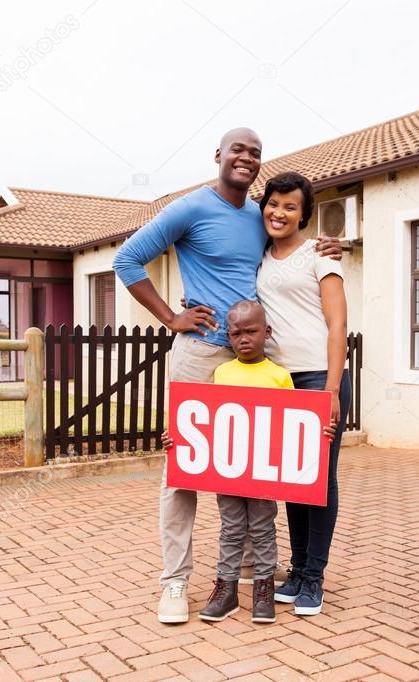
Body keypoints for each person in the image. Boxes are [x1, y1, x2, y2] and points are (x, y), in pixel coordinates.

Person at [112, 128, 342, 624]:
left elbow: (288, 246)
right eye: (237, 149)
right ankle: (174, 582)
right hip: (200, 354)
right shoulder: (190, 207)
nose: (246, 158)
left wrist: (329, 246)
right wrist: (170, 318)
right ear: (218, 155)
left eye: (255, 153)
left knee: (254, 463)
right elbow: (126, 259)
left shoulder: (260, 218)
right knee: (184, 468)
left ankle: (248, 568)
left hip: (258, 361)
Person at [162, 300, 337, 624]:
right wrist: (178, 439)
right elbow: (207, 421)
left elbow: (295, 424)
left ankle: (263, 590)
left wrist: (320, 431)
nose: (243, 339)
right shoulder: (221, 372)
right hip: (228, 475)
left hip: (263, 476)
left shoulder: (280, 376)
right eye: (236, 333)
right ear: (228, 337)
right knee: (230, 530)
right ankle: (226, 589)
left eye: (251, 331)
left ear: (267, 333)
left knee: (262, 530)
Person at [257, 171, 350, 616]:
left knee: (319, 481)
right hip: (279, 378)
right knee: (293, 479)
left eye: (290, 206)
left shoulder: (319, 255)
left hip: (318, 378)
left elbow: (338, 326)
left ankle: (314, 577)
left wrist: (331, 390)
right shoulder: (260, 257)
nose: (280, 212)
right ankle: (296, 571)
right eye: (274, 203)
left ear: (303, 215)